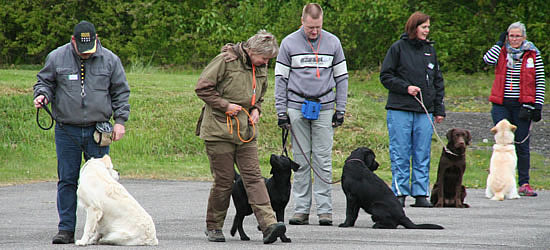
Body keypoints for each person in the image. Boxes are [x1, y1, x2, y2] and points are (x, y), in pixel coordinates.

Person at [33, 21, 130, 244]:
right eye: (82, 49)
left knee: (103, 183)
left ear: (96, 40)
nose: (86, 54)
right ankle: (66, 229)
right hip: (67, 130)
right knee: (67, 179)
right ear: (73, 41)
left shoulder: (110, 60)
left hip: (99, 130)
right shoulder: (57, 57)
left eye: (91, 48)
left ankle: (102, 229)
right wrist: (42, 95)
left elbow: (121, 92)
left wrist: (120, 121)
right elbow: (44, 82)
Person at [195, 30, 286, 244]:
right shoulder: (225, 61)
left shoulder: (260, 66)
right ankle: (214, 226)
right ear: (252, 50)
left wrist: (257, 109)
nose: (266, 62)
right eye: (264, 58)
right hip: (219, 130)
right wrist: (225, 105)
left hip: (246, 131)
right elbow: (202, 88)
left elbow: (259, 95)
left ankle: (269, 225)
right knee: (224, 181)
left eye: (269, 59)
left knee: (254, 177)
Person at [274, 3, 348, 226]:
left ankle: (325, 210)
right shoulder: (288, 43)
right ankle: (301, 209)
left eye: (318, 27)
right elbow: (281, 80)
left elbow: (342, 78)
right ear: (302, 22)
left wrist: (340, 109)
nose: (314, 32)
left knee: (323, 160)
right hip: (297, 106)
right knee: (301, 159)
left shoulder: (333, 42)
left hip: (324, 106)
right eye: (310, 28)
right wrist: (281, 112)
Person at [379, 11, 445, 208]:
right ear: (414, 27)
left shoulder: (430, 51)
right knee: (400, 151)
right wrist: (405, 87)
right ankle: (399, 192)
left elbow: (437, 81)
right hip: (400, 108)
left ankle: (420, 193)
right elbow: (386, 76)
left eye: (428, 27)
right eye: (424, 27)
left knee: (422, 151)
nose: (427, 30)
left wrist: (439, 109)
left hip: (425, 111)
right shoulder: (397, 48)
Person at [483, 21, 545, 197]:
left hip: (523, 104)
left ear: (524, 37)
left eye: (518, 36)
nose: (514, 39)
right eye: (511, 36)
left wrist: (537, 105)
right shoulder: (501, 51)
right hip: (501, 103)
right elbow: (487, 60)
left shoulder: (532, 54)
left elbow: (540, 81)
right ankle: (498, 180)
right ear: (507, 37)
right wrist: (498, 43)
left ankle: (524, 182)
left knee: (521, 143)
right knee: (501, 144)